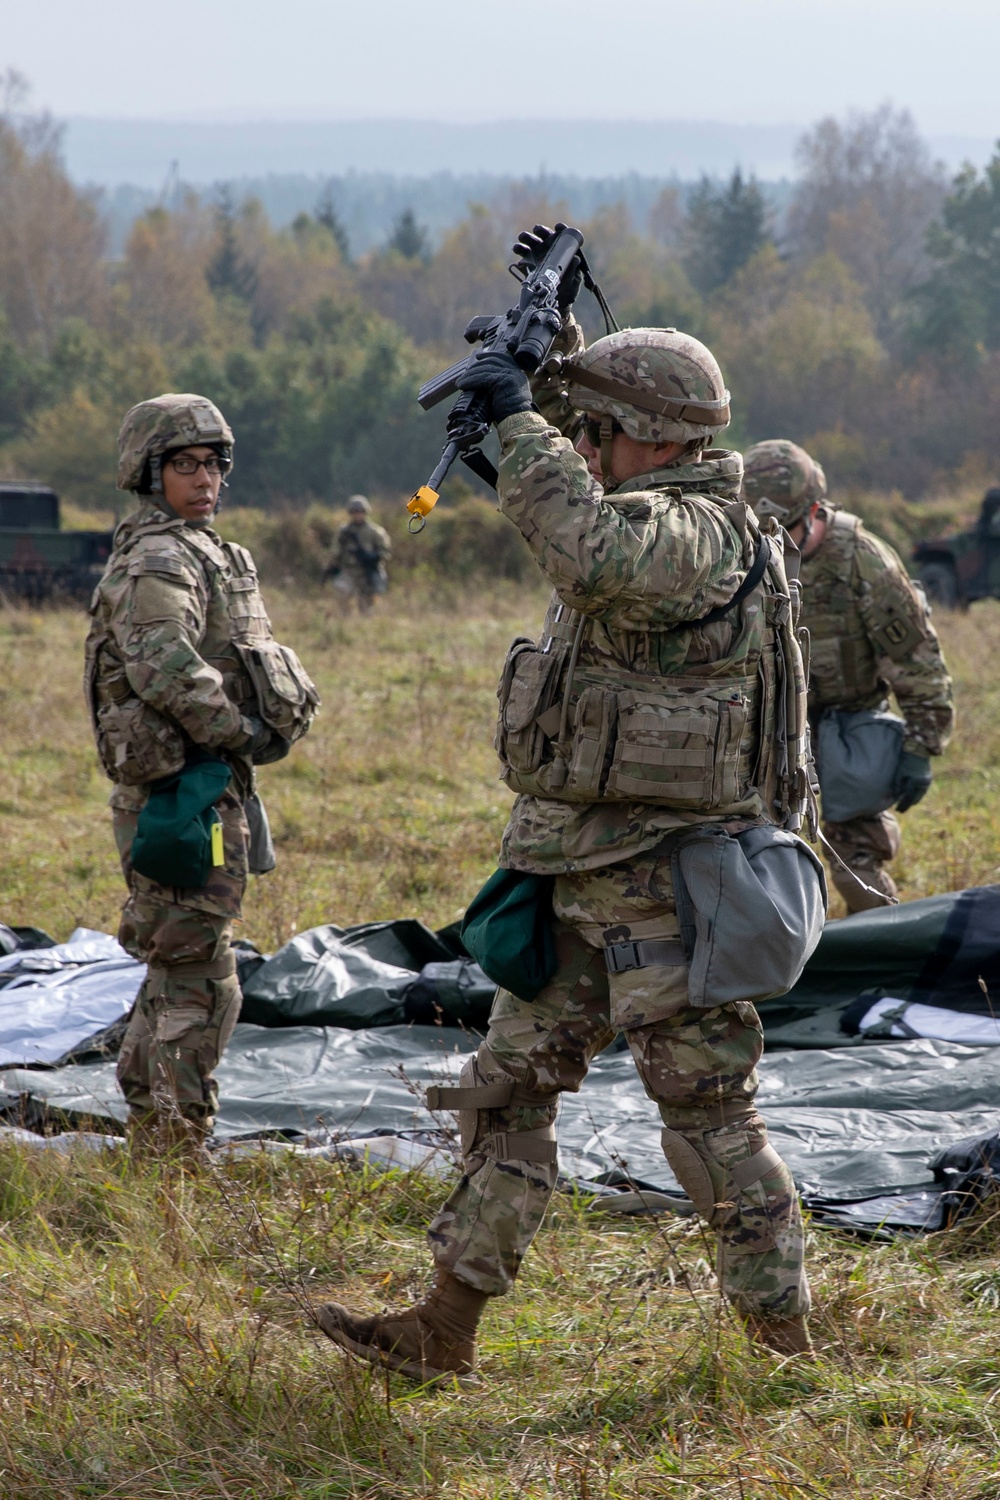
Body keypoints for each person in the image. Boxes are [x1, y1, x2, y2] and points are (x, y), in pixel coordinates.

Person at [315, 233, 818, 1384]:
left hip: (667, 879)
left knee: (704, 1117)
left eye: (598, 428)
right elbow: (576, 495)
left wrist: (522, 423)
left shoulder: (693, 529)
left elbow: (590, 549)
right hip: (583, 869)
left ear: (655, 435)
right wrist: (545, 354)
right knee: (505, 1093)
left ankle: (787, 1355)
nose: (581, 446)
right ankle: (442, 1330)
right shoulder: (656, 505)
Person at [84, 393, 318, 1156]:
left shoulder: (204, 548)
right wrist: (240, 732)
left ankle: (155, 1133)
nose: (206, 478)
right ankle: (173, 1144)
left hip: (207, 781)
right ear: (149, 473)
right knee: (199, 972)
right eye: (186, 464)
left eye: (215, 464)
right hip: (179, 791)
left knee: (181, 960)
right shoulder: (159, 557)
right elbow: (165, 666)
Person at [742, 439, 954, 912]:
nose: (778, 545)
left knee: (855, 863)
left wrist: (921, 747)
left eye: (788, 530)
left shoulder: (864, 561)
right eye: (764, 532)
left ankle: (885, 962)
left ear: (816, 512)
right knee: (755, 861)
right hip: (765, 728)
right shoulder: (744, 555)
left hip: (847, 728)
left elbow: (917, 661)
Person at [324, 494, 391, 613]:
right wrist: (331, 566)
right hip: (349, 571)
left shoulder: (375, 532)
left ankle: (364, 626)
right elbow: (335, 550)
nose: (358, 514)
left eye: (360, 511)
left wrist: (372, 557)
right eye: (355, 512)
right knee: (342, 592)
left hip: (367, 573)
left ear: (365, 512)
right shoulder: (344, 532)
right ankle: (345, 620)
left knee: (366, 606)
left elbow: (385, 551)